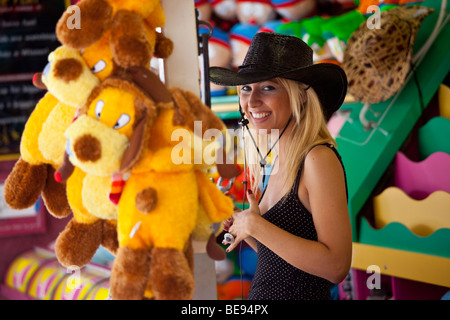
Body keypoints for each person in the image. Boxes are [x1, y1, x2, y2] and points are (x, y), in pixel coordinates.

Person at [209, 32, 352, 300]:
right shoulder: (279, 159)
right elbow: (282, 261)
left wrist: (256, 226)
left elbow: (336, 267)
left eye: (268, 87)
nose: (251, 102)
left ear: (300, 97)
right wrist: (242, 225)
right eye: (246, 89)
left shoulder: (317, 158)